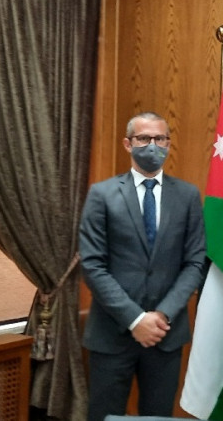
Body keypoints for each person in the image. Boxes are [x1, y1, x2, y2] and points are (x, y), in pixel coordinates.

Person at [79, 112, 206, 421]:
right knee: (104, 416)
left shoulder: (188, 195)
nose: (153, 146)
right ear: (128, 144)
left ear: (168, 144)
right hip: (111, 333)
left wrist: (161, 316)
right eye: (144, 139)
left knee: (158, 416)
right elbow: (93, 264)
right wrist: (135, 320)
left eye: (160, 139)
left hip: (165, 335)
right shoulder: (102, 194)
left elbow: (195, 261)